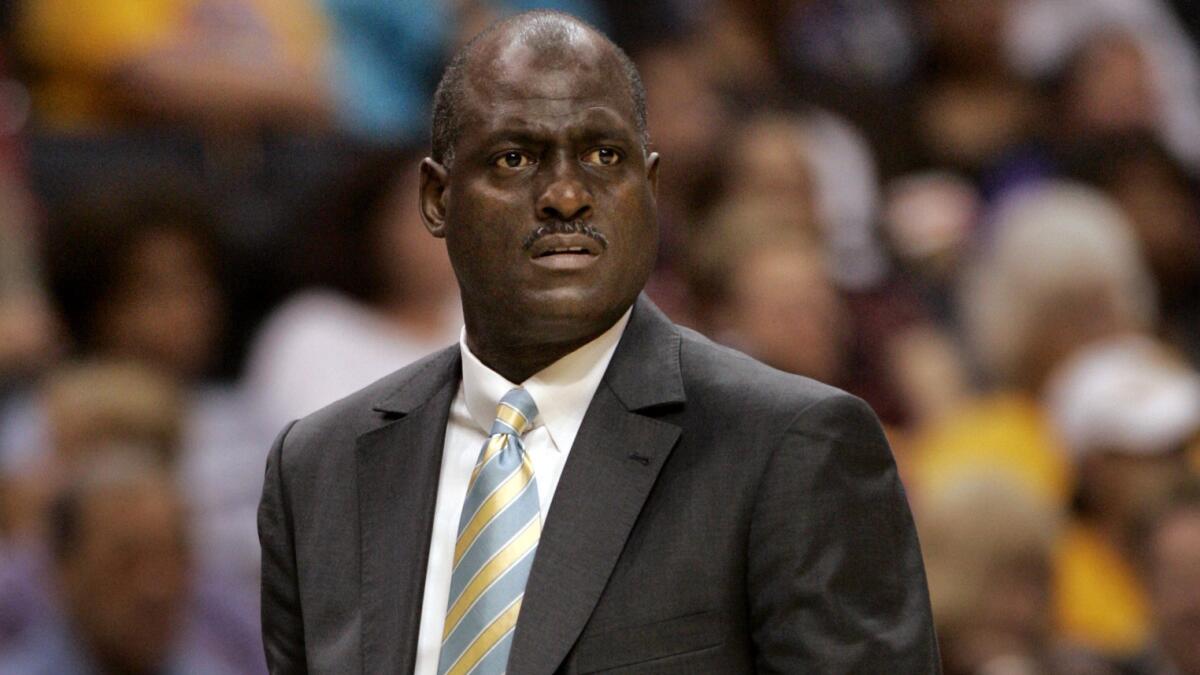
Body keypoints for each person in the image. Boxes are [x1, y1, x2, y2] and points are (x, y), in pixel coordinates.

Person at [258, 10, 938, 673]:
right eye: (515, 156)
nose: (564, 195)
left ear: (650, 189)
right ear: (437, 198)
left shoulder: (792, 445)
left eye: (604, 155)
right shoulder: (318, 470)